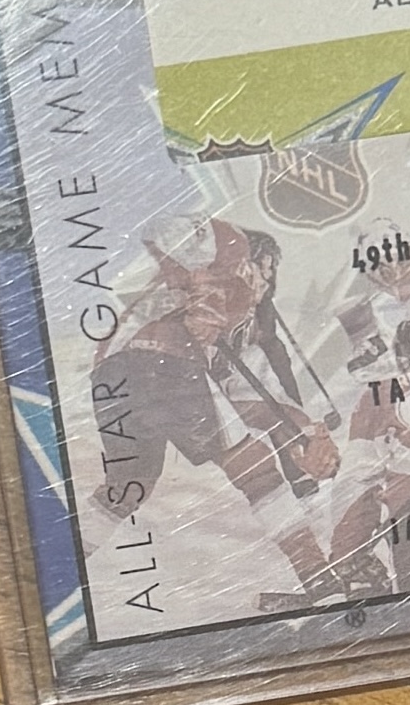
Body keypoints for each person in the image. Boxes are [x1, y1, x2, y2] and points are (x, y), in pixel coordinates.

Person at [92, 215, 343, 596]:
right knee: (256, 471)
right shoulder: (231, 249)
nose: (268, 282)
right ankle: (318, 579)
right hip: (160, 359)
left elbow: (257, 398)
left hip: (113, 375)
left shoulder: (239, 331)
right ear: (255, 261)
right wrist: (204, 285)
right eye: (268, 269)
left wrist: (309, 433)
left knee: (128, 487)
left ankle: (61, 567)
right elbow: (162, 229)